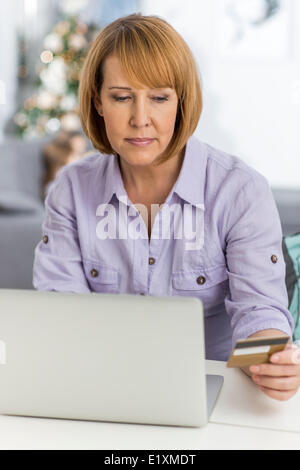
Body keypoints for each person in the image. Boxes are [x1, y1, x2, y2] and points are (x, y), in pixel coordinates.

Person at [33, 13, 300, 401]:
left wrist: (273, 361)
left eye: (159, 98)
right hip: (103, 391)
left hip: (217, 397)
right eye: (122, 97)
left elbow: (259, 312)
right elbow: (59, 315)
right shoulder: (71, 192)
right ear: (99, 102)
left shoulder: (240, 191)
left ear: (181, 102)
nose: (141, 119)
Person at [41, 130, 87, 200]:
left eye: (83, 153)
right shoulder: (55, 188)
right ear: (63, 155)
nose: (83, 158)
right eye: (77, 153)